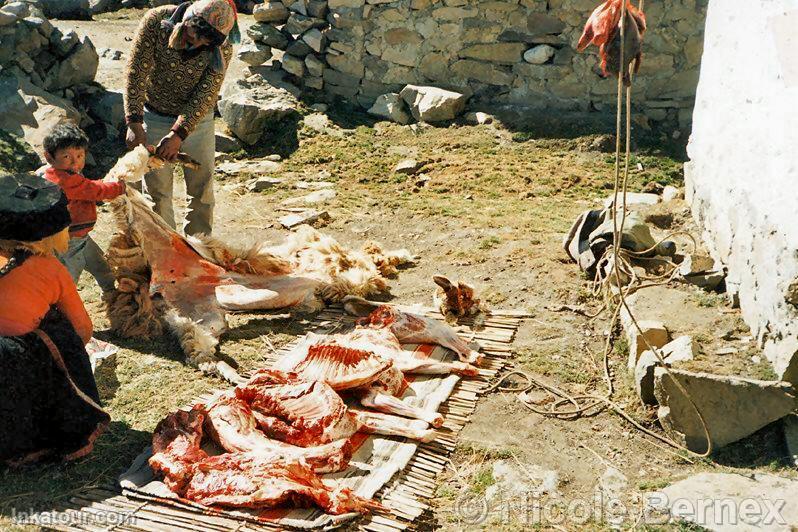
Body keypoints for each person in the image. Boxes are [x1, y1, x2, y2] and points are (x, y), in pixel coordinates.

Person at [0, 173, 110, 465]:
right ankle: (38, 439)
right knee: (60, 333)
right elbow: (83, 329)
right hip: (8, 364)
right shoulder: (51, 269)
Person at [124, 0, 238, 236]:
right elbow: (136, 70)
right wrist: (134, 122)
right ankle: (167, 250)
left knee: (202, 191)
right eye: (192, 36)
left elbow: (206, 93)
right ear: (186, 20)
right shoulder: (156, 21)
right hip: (154, 114)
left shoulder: (221, 49)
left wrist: (178, 134)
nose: (194, 45)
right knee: (157, 192)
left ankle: (199, 250)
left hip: (197, 121)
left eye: (203, 44)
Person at [42, 123, 126, 294]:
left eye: (80, 155)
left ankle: (111, 293)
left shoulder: (60, 173)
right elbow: (95, 191)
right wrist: (119, 187)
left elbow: (87, 186)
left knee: (101, 265)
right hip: (69, 241)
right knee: (69, 275)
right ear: (49, 157)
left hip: (80, 236)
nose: (75, 162)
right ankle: (60, 307)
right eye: (67, 156)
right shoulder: (64, 180)